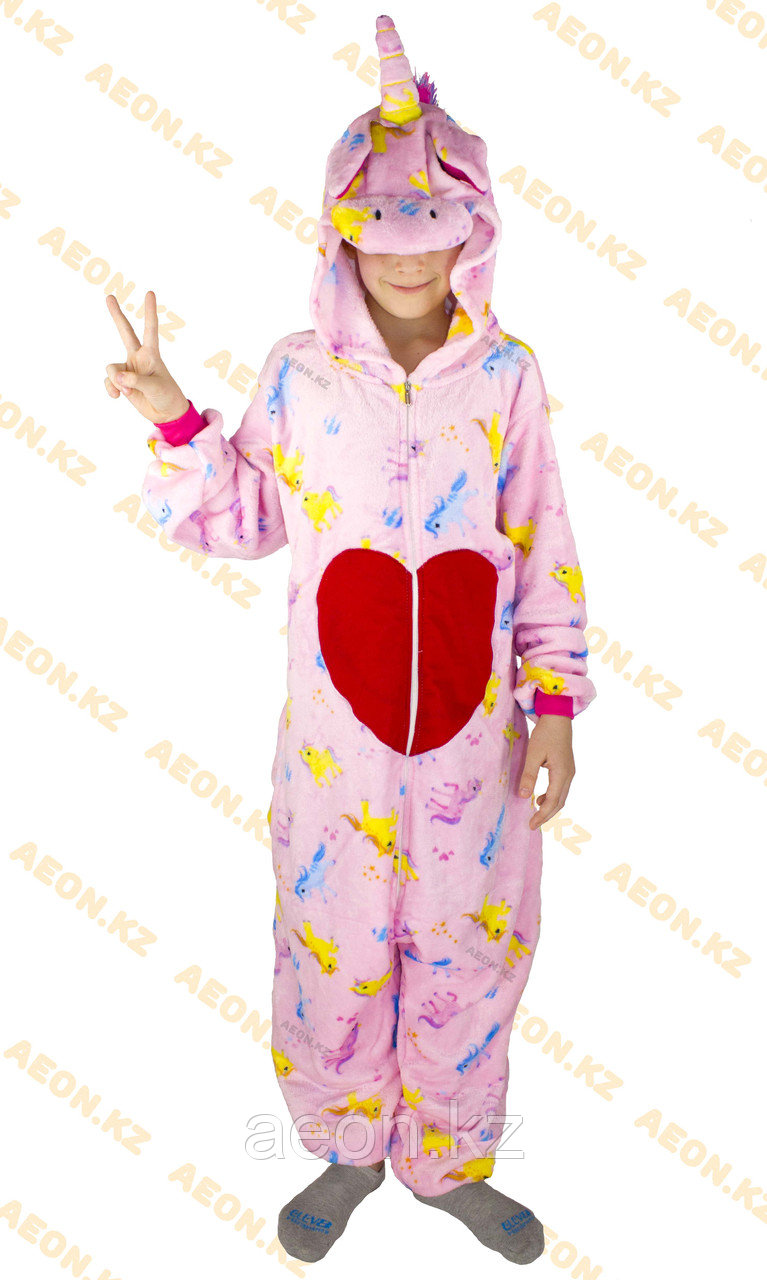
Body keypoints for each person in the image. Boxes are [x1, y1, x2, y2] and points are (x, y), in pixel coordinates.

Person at [105, 14, 596, 1266]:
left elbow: (541, 542)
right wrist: (176, 418)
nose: (408, 256)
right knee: (331, 935)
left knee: (467, 942)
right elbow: (244, 517)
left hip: (475, 743)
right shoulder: (298, 375)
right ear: (340, 235)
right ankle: (345, 1145)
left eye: (435, 230)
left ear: (473, 232)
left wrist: (551, 707)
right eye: (381, 230)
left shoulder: (507, 378)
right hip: (335, 749)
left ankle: (447, 1159)